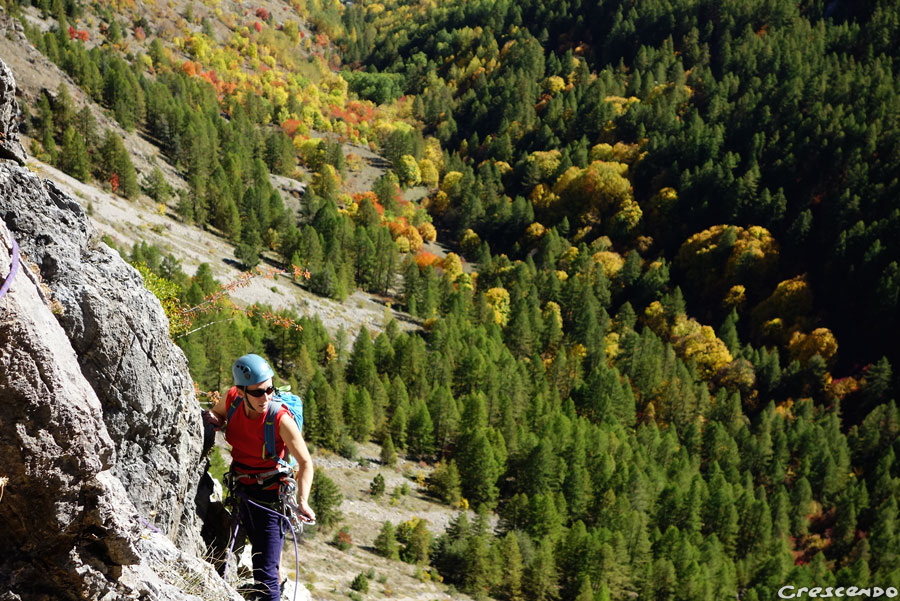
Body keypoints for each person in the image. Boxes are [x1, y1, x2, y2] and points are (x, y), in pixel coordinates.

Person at [207, 353, 315, 601]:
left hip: (270, 500)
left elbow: (306, 462)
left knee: (265, 576)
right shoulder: (232, 399)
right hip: (241, 490)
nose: (265, 397)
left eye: (269, 389)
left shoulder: (279, 419)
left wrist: (302, 501)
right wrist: (214, 419)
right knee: (246, 558)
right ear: (242, 391)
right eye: (257, 392)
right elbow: (218, 415)